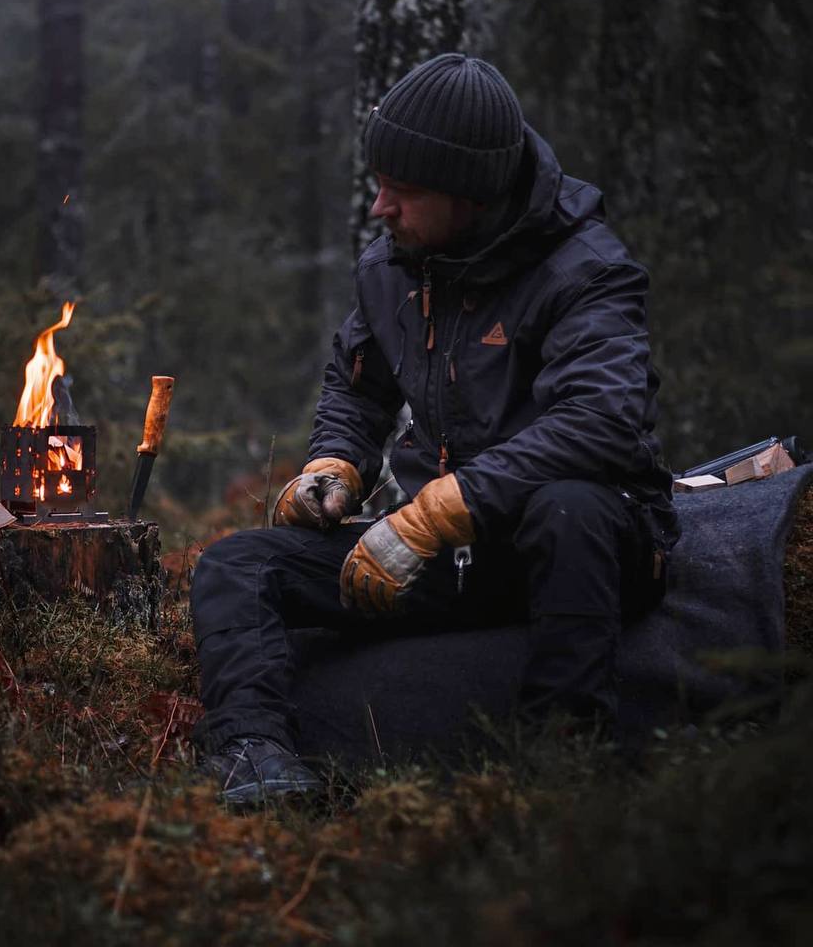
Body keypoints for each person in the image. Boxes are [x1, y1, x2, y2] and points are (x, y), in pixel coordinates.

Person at [190, 53, 678, 806]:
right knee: (236, 566)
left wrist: (444, 508)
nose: (380, 208)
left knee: (570, 508)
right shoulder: (399, 263)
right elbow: (356, 385)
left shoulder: (584, 270)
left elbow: (602, 420)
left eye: (403, 191)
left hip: (575, 550)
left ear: (472, 195)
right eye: (379, 183)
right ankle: (256, 760)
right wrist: (336, 464)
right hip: (442, 555)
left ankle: (560, 772)